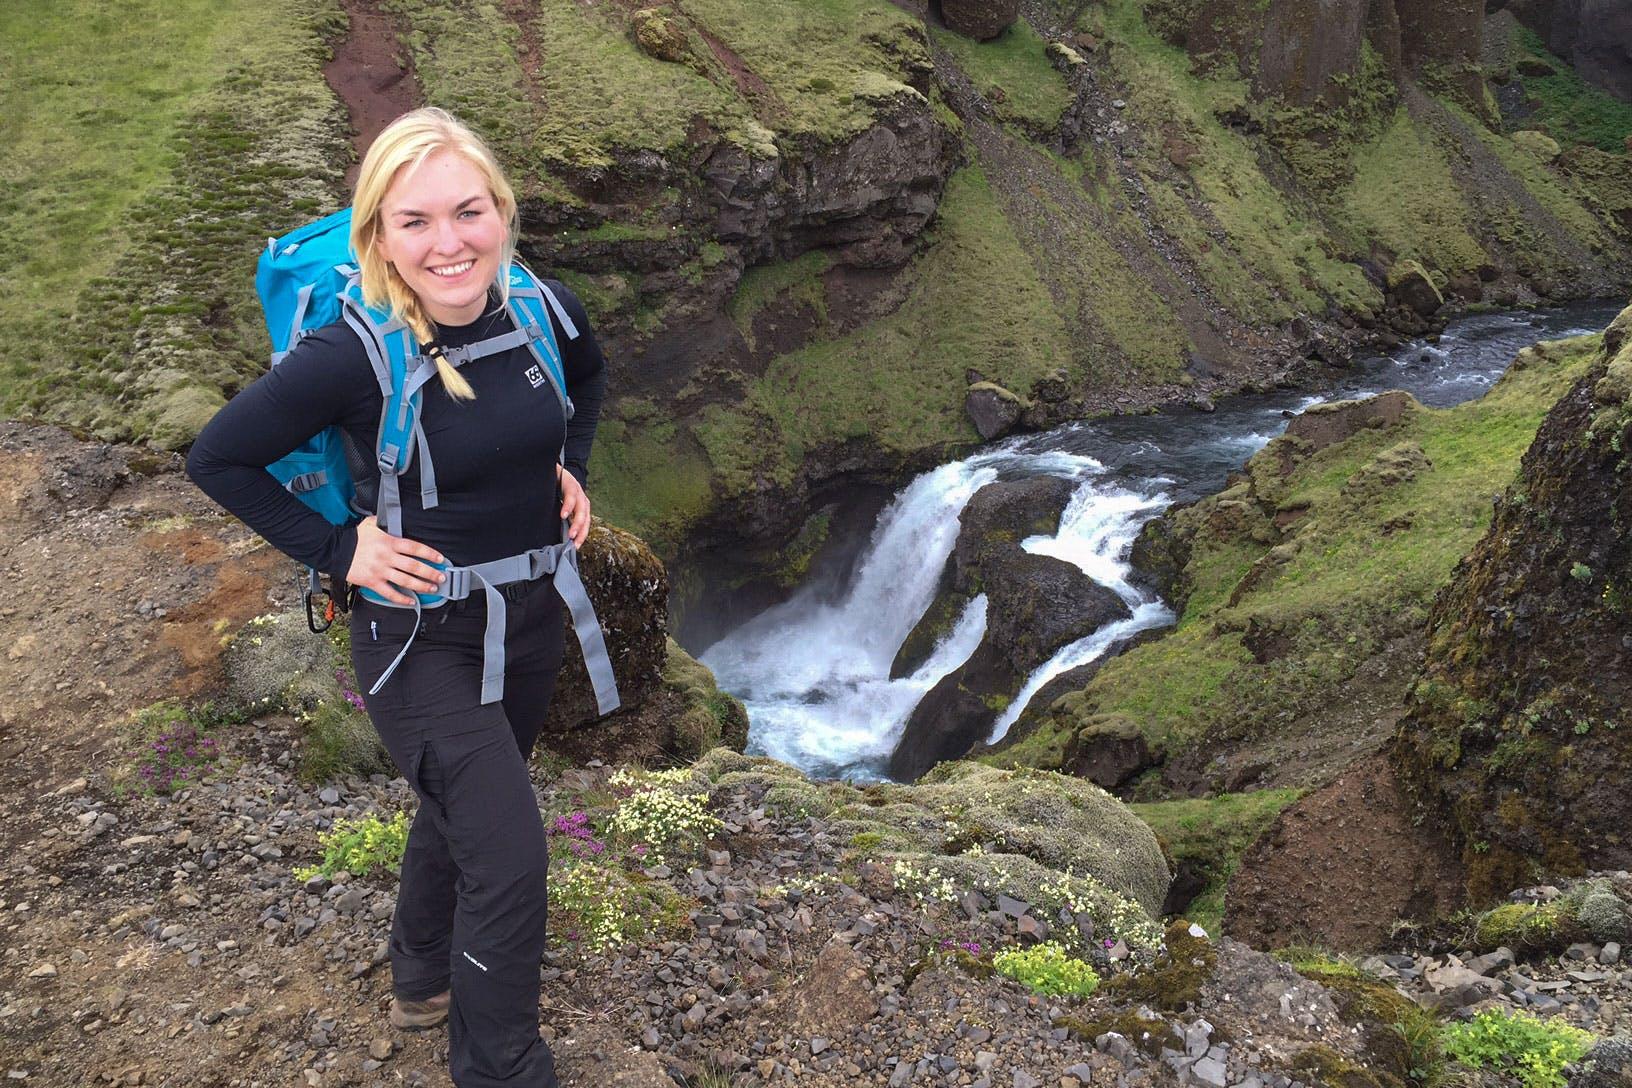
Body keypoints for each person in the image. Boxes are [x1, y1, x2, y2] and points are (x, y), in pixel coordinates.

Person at [187, 107, 607, 1088]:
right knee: (509, 856)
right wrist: (341, 548)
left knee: (467, 803)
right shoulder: (351, 355)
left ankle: (421, 976)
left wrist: (572, 467)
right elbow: (218, 456)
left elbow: (586, 375)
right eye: (415, 221)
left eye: (469, 211)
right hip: (418, 638)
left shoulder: (545, 308)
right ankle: (501, 1067)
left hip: (533, 620)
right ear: (377, 234)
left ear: (501, 211)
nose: (449, 242)